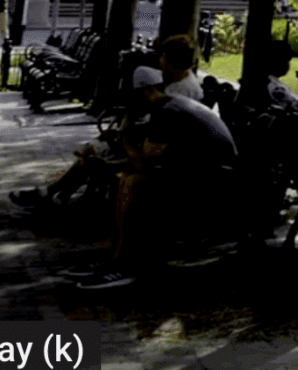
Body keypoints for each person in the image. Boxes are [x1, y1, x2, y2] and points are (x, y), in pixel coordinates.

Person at [65, 65, 240, 291]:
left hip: (214, 182)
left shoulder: (165, 112)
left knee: (132, 182)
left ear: (146, 91)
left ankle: (124, 263)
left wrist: (125, 138)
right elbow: (152, 153)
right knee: (127, 179)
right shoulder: (171, 105)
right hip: (208, 173)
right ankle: (117, 255)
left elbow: (143, 161)